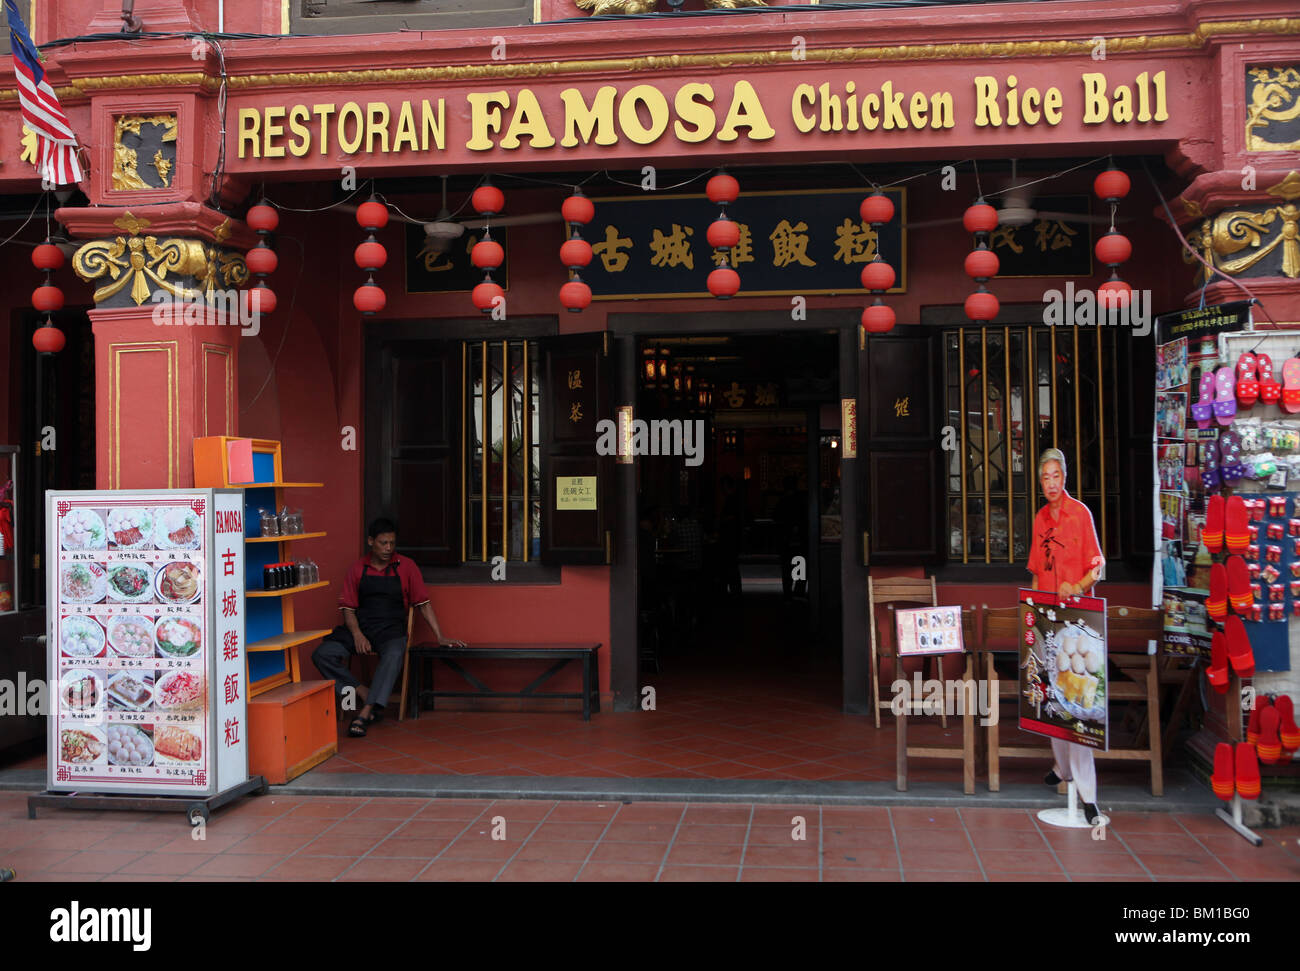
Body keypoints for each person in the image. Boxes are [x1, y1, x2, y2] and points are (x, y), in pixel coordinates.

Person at [312, 517, 463, 737]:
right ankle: (363, 692)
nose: (388, 548)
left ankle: (365, 712)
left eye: (392, 543)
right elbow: (348, 609)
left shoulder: (406, 566)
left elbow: (423, 604)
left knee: (394, 653)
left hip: (391, 630)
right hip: (361, 628)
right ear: (371, 541)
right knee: (322, 654)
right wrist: (357, 635)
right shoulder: (357, 568)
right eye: (383, 543)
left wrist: (440, 636)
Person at [1027, 448, 1106, 824]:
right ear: (1040, 482)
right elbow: (1035, 570)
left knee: (1076, 707)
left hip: (1076, 619)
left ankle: (1089, 798)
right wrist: (1028, 615)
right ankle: (1062, 769)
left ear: (1065, 478)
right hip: (1045, 617)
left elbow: (1098, 567)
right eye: (1046, 478)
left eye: (1057, 475)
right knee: (1052, 701)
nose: (1052, 483)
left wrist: (1076, 583)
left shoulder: (1080, 515)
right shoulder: (1041, 518)